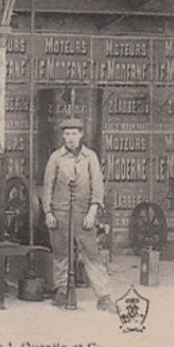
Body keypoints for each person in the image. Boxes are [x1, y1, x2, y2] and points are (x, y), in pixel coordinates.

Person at [42, 117, 115, 313]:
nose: (71, 138)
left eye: (74, 133)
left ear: (81, 134)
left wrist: (92, 211)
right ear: (63, 136)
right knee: (60, 253)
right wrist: (48, 212)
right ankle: (61, 290)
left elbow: (97, 186)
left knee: (91, 253)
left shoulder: (90, 157)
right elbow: (47, 186)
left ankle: (104, 296)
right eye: (67, 133)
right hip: (60, 212)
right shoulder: (56, 158)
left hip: (83, 213)